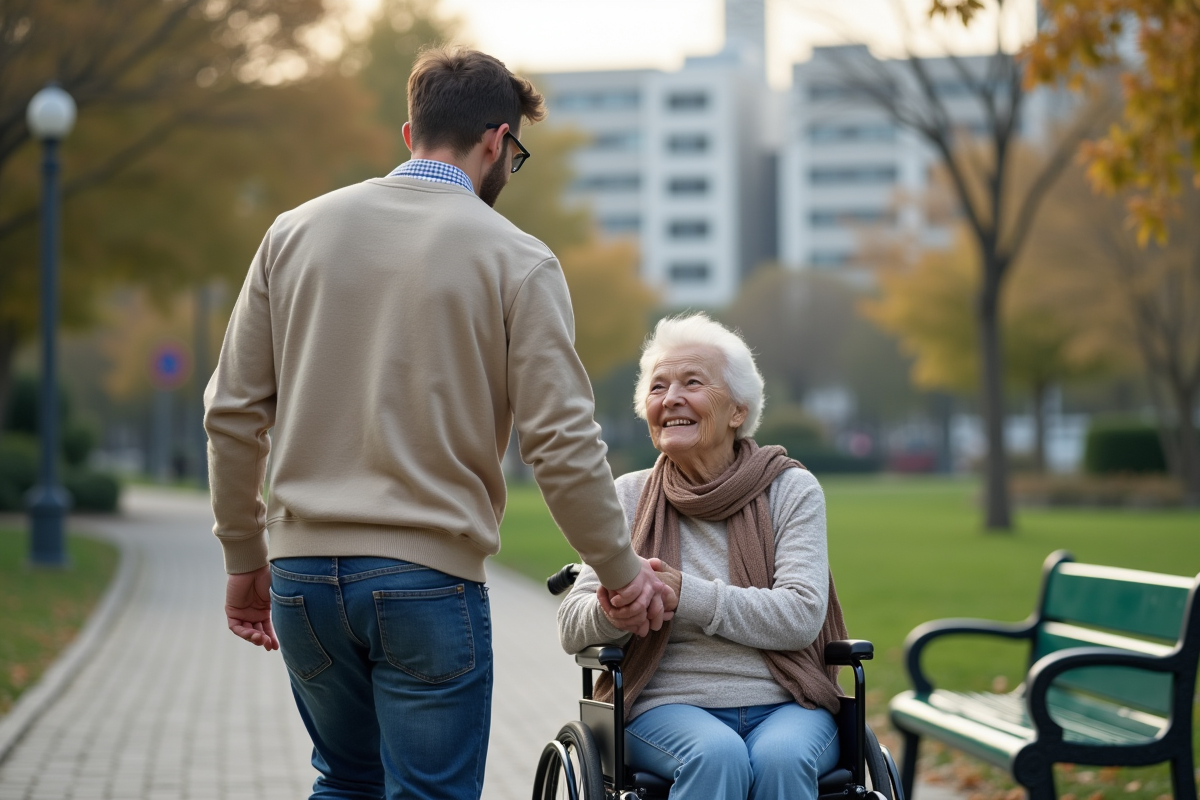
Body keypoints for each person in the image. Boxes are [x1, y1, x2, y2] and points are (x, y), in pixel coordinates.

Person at [205, 46, 667, 800]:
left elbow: (231, 413)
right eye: (515, 157)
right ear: (496, 141)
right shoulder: (516, 259)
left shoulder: (292, 234)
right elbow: (558, 440)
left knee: (343, 782)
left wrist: (242, 554)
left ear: (408, 133)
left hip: (300, 582)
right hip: (425, 579)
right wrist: (619, 572)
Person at [558, 313, 849, 800]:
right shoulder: (627, 497)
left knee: (782, 759)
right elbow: (572, 625)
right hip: (663, 704)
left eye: (692, 382)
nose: (671, 399)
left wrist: (683, 594)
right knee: (715, 755)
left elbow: (801, 615)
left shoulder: (791, 490)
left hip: (786, 702)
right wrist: (611, 612)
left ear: (738, 410)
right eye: (658, 388)